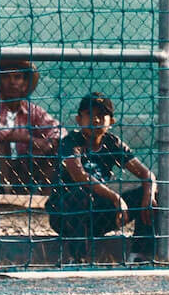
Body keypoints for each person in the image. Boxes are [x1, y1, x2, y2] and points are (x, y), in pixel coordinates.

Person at [45, 92, 157, 262]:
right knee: (81, 194)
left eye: (101, 115)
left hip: (98, 214)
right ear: (78, 119)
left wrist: (148, 195)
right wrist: (115, 197)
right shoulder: (71, 141)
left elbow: (146, 174)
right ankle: (78, 259)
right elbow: (79, 175)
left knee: (151, 195)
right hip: (65, 213)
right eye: (89, 114)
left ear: (111, 121)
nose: (95, 120)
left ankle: (139, 255)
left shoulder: (112, 143)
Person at [0, 57, 66, 190]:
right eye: (6, 77)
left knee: (55, 149)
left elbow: (57, 129)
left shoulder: (32, 110)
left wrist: (50, 142)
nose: (12, 82)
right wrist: (30, 139)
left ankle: (45, 200)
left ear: (25, 83)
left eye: (17, 77)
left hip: (22, 169)